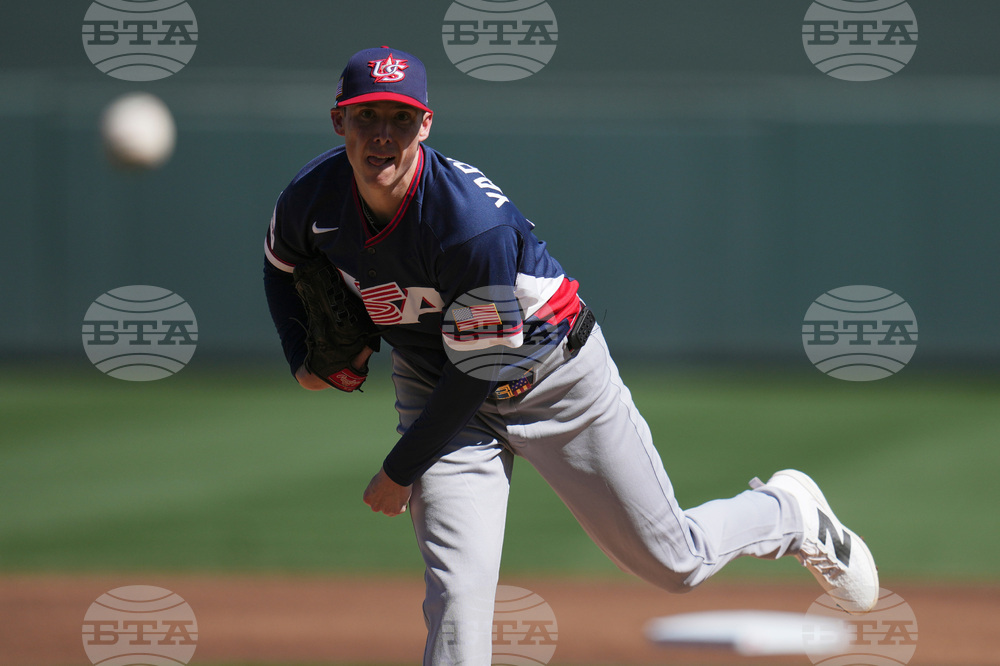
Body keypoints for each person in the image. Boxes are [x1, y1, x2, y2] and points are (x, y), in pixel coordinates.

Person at [263, 46, 879, 664]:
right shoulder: (309, 200)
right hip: (434, 380)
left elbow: (477, 371)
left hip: (554, 378)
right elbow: (280, 267)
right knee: (458, 594)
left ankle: (786, 511)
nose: (383, 136)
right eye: (367, 116)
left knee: (676, 563)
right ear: (338, 121)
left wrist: (400, 470)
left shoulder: (469, 226)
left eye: (400, 119)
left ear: (426, 125)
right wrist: (301, 359)